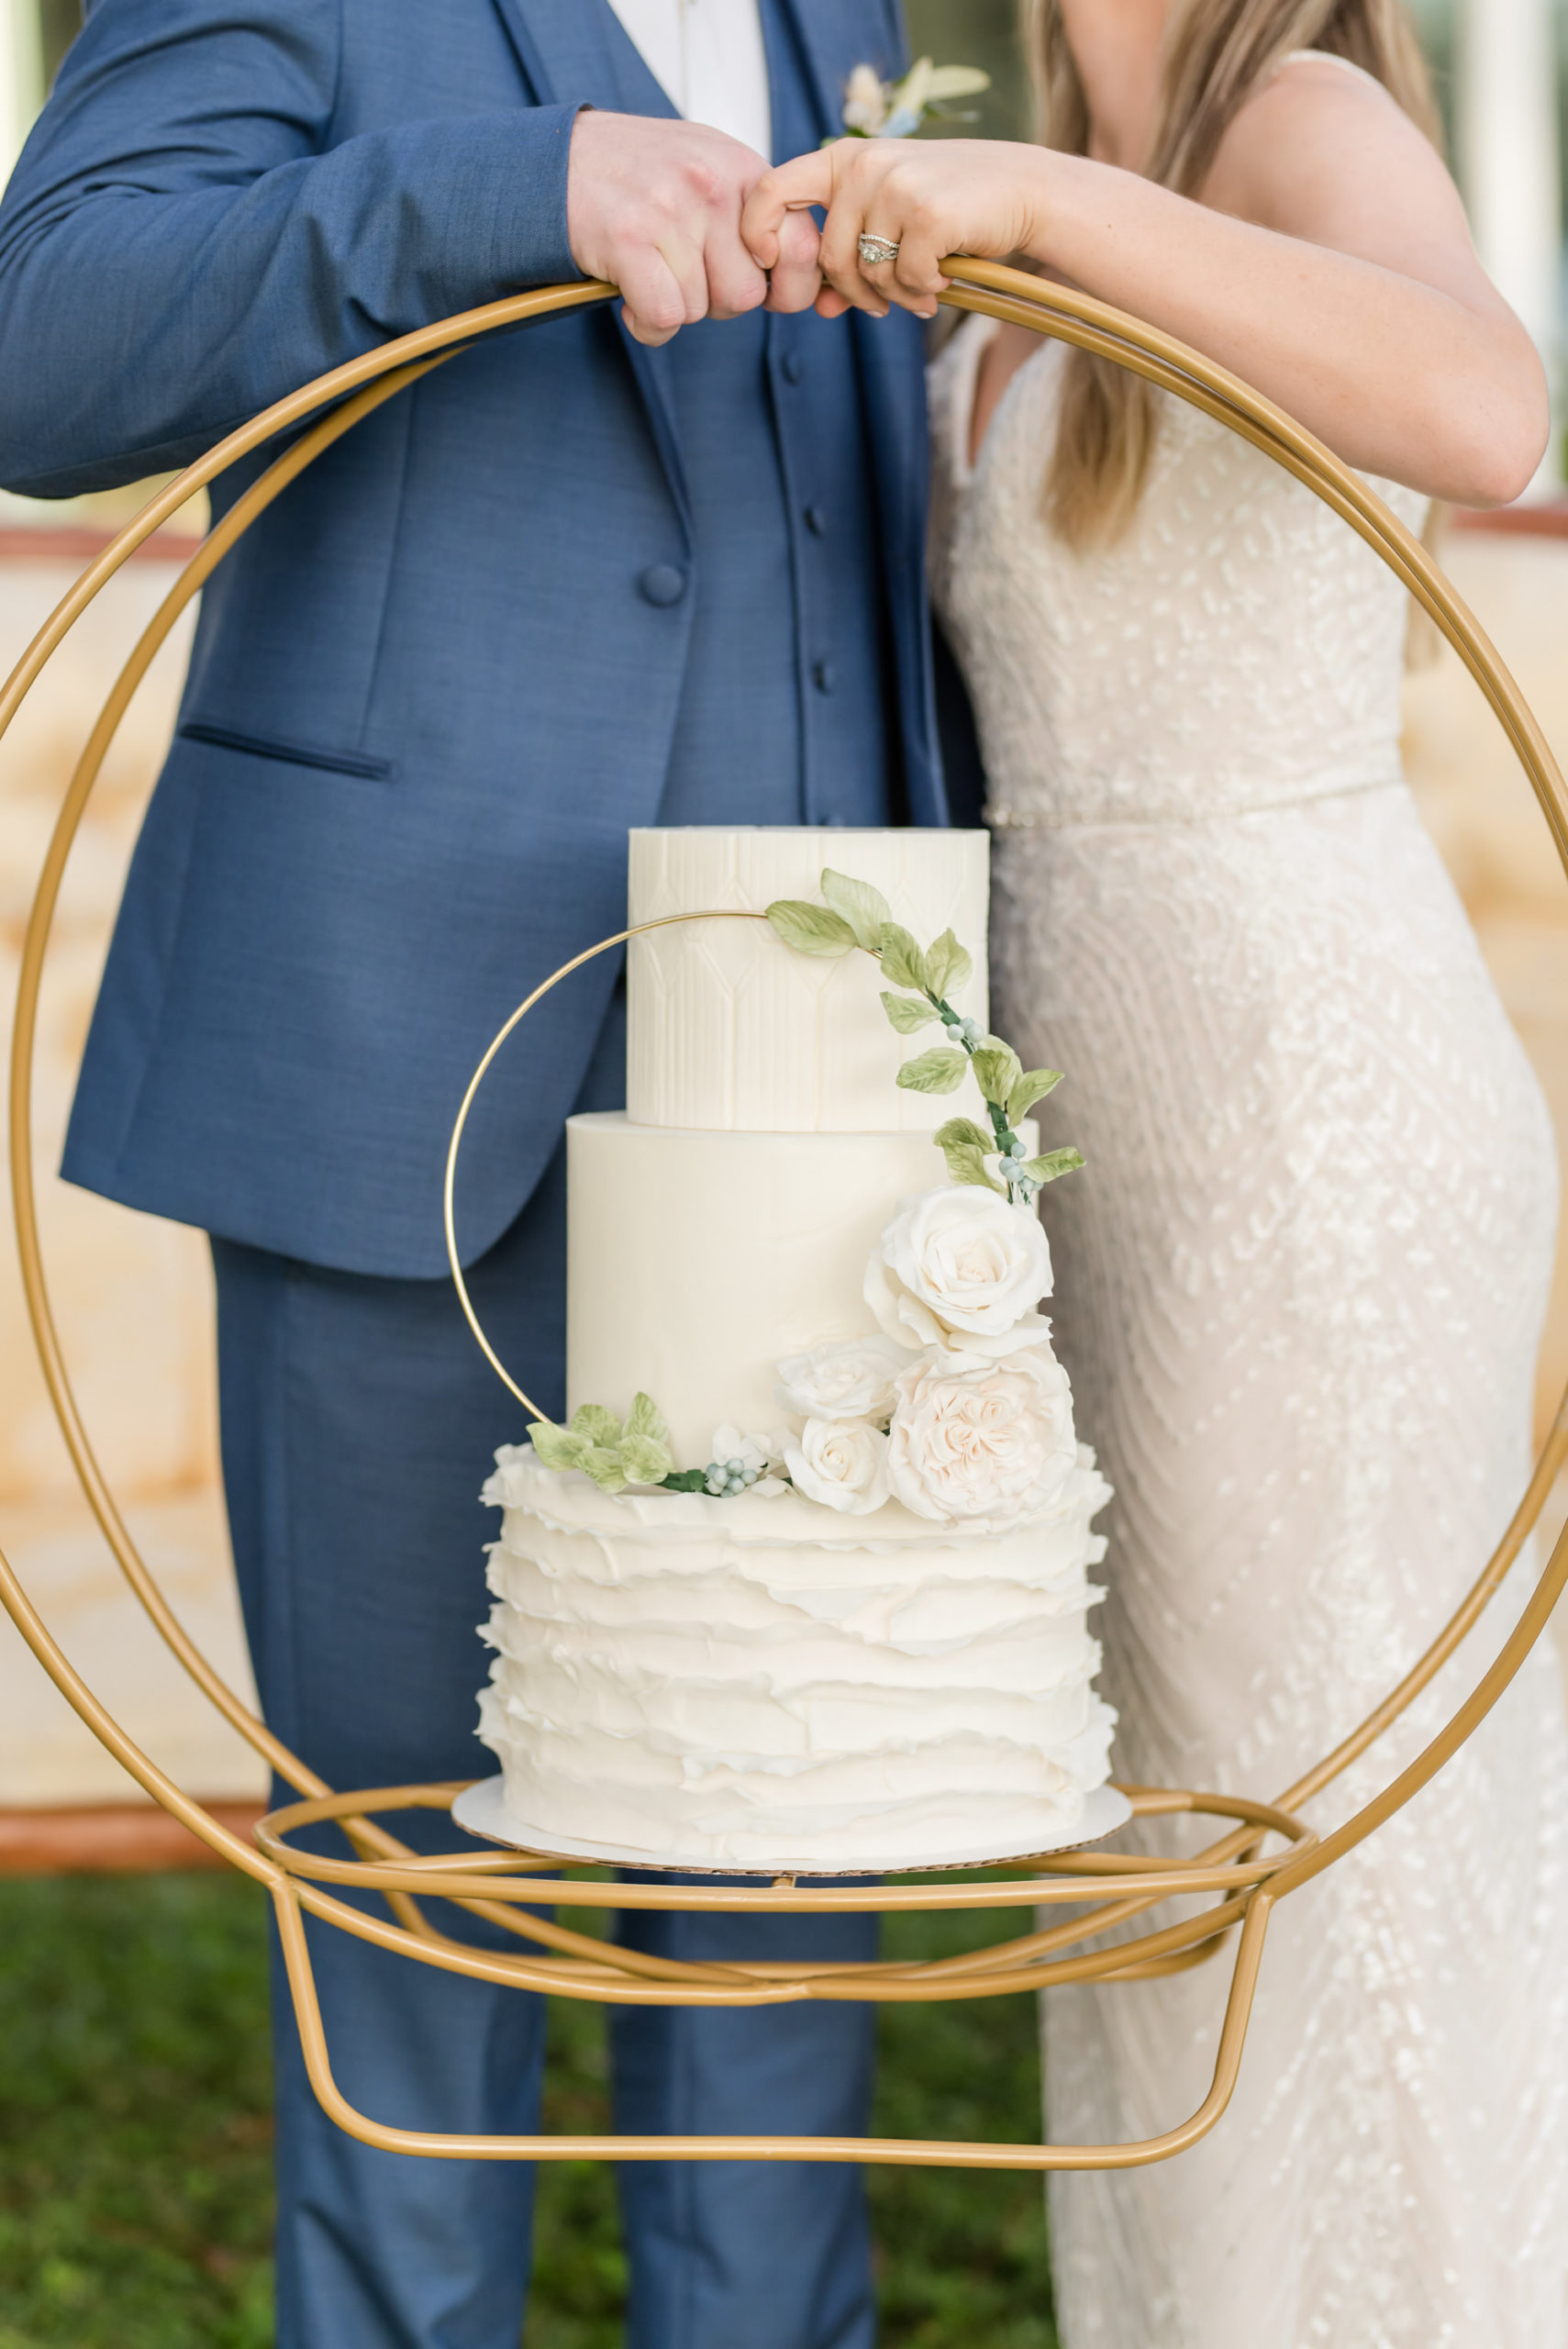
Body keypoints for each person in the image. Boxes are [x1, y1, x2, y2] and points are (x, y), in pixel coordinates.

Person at [0, 6, 947, 2346]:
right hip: (392, 1037)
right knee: (413, 1882)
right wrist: (508, 191)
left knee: (780, 1853)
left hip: (823, 1086)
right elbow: (45, 345)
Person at [745, 1, 1568, 2342]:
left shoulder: (1292, 118)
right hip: (1087, 1129)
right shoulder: (1007, 155)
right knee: (1139, 1847)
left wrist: (1056, 214)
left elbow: (1487, 408)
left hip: (1299, 1113)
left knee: (1314, 1847)